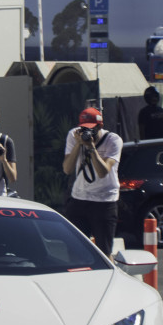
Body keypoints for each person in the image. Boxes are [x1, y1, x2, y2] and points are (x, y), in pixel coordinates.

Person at [62, 106, 123, 256]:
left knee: (104, 252)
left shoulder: (113, 140)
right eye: (83, 128)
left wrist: (91, 148)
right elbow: (67, 169)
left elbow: (103, 172)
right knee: (75, 250)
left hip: (104, 201)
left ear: (100, 126)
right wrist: (78, 144)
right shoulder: (74, 135)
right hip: (80, 198)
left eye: (91, 129)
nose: (87, 132)